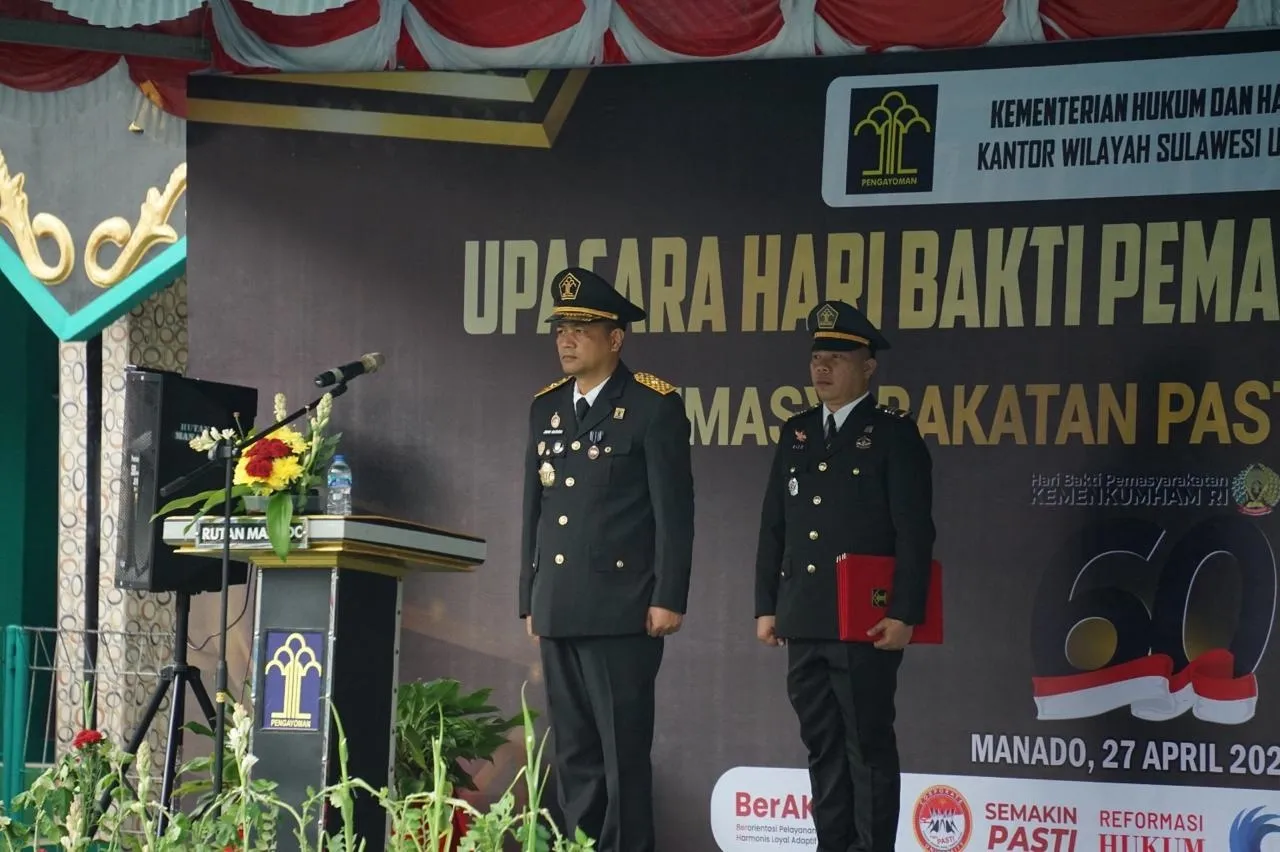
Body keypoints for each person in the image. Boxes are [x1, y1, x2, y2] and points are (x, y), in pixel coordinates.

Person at [518, 266, 695, 852]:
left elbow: (675, 512)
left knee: (623, 757)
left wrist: (669, 594)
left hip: (624, 609)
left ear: (615, 338)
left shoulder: (651, 405)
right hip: (561, 606)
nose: (565, 339)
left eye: (581, 328)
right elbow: (533, 513)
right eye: (560, 327)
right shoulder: (545, 407)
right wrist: (530, 596)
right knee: (573, 755)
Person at [753, 300, 935, 852]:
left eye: (835, 357)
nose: (821, 369)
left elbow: (914, 534)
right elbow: (773, 526)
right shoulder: (799, 432)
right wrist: (767, 605)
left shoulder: (893, 434)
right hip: (805, 616)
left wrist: (905, 612)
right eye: (816, 358)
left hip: (867, 622)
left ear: (868, 365)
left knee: (867, 747)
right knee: (822, 746)